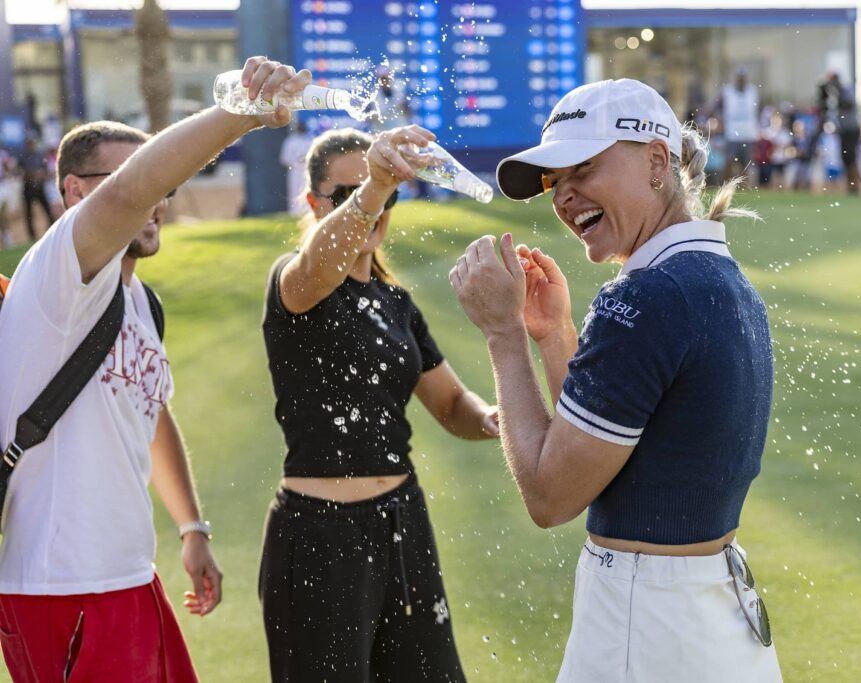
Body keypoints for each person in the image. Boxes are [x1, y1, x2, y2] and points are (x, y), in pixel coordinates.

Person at [449, 79, 783, 681]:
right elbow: (612, 450)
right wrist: (553, 337)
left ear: (657, 162)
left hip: (648, 620)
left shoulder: (646, 297)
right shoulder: (721, 279)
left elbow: (552, 495)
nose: (565, 195)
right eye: (556, 182)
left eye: (583, 168)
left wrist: (502, 335)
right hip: (714, 611)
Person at [0, 55, 306, 682]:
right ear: (77, 193)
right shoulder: (59, 278)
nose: (157, 197)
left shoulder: (138, 300)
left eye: (162, 183)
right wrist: (239, 114)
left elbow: (149, 408)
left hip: (133, 578)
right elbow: (131, 192)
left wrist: (191, 526)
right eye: (137, 177)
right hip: (65, 589)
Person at [258, 125, 498, 682]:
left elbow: (451, 403)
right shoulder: (296, 280)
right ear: (315, 202)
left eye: (383, 193)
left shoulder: (395, 301)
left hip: (401, 523)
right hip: (318, 537)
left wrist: (494, 419)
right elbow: (320, 267)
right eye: (346, 194)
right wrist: (373, 187)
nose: (372, 206)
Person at [716, 66, 760, 182]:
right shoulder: (727, 91)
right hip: (732, 132)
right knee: (729, 162)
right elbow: (716, 106)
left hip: (748, 133)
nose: (741, 80)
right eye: (739, 78)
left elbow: (758, 110)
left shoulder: (752, 91)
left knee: (746, 164)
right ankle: (726, 185)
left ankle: (745, 189)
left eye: (743, 78)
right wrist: (719, 121)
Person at [15, 136, 55, 241]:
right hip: (28, 186)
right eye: (29, 143)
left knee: (47, 209)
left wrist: (41, 174)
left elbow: (46, 170)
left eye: (31, 142)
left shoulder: (40, 155)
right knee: (28, 213)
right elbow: (18, 172)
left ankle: (52, 231)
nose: (30, 145)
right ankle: (32, 236)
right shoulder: (22, 156)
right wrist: (30, 174)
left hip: (39, 186)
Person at [278, 118, 313, 216]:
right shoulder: (290, 141)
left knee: (307, 190)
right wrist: (297, 161)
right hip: (295, 171)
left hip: (307, 170)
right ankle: (294, 212)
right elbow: (284, 159)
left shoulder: (308, 140)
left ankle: (308, 211)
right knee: (294, 191)